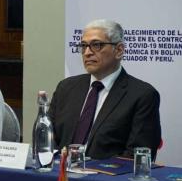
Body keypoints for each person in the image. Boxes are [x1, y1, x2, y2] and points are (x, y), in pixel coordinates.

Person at [49, 19, 161, 159]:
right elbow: (47, 138)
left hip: (105, 177)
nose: (87, 53)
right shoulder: (66, 87)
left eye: (96, 45)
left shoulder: (142, 95)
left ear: (119, 50)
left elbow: (138, 156)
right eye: (84, 46)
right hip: (60, 175)